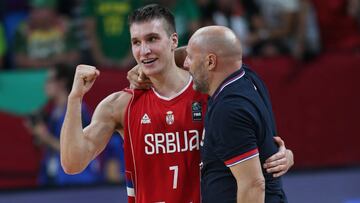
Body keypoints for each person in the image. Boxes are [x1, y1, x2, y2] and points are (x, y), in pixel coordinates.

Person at [60, 4, 292, 203]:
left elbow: (251, 149)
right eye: (136, 42)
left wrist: (279, 156)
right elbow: (72, 163)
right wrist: (74, 99)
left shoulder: (210, 92)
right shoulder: (121, 104)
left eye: (152, 39)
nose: (144, 50)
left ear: (173, 40)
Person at [184, 25, 288, 202]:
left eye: (190, 58)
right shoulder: (246, 76)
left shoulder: (228, 110)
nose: (185, 64)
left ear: (210, 62)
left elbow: (253, 185)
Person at [26, 64, 102, 186]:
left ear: (62, 82)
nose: (45, 85)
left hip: (78, 181)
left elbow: (75, 150)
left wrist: (45, 137)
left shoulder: (78, 111)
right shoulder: (54, 112)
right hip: (56, 179)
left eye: (49, 80)